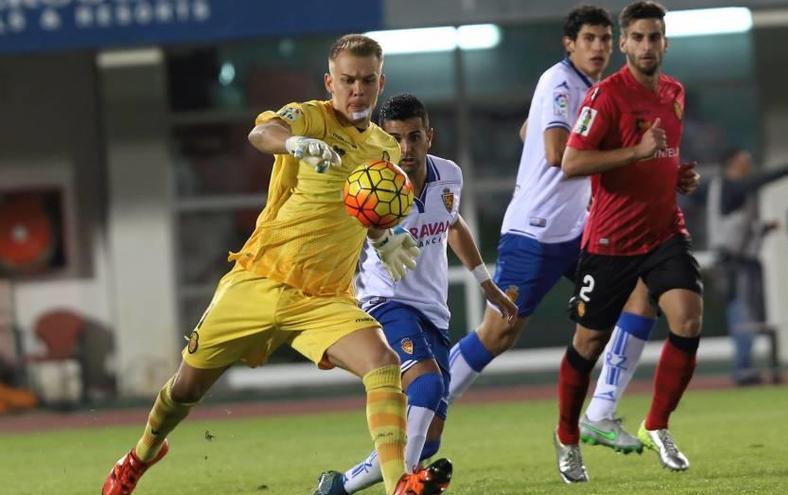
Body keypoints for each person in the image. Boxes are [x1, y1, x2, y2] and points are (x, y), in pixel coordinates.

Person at [101, 34, 451, 495]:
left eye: (367, 80)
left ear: (380, 82)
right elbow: (261, 132)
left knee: (383, 364)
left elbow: (370, 210)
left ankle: (398, 484)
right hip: (259, 281)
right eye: (347, 80)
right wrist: (297, 144)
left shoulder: (385, 151)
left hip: (323, 299)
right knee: (185, 389)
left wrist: (383, 237)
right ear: (331, 81)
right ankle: (141, 453)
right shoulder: (308, 116)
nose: (357, 90)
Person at [313, 94, 517, 495]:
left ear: (429, 137)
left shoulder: (449, 176)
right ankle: (402, 486)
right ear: (382, 140)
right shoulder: (373, 184)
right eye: (395, 138)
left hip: (433, 311)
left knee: (430, 438)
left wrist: (485, 282)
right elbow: (345, 233)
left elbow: (453, 224)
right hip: (384, 302)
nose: (405, 148)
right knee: (425, 387)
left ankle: (337, 488)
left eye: (413, 136)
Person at [560, 0, 703, 473]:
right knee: (587, 343)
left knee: (686, 317)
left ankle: (657, 423)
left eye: (654, 37)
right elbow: (572, 162)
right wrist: (637, 153)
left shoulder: (675, 93)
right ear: (624, 43)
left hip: (664, 232)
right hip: (611, 241)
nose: (646, 46)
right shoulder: (603, 97)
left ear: (665, 42)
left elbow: (661, 155)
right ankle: (567, 437)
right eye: (637, 38)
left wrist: (677, 174)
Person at [707, 149, 788, 385]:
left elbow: (739, 224)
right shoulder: (728, 186)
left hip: (743, 260)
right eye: (744, 161)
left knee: (746, 314)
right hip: (732, 261)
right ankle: (742, 369)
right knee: (741, 314)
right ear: (733, 163)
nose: (749, 165)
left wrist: (764, 228)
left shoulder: (736, 191)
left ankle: (745, 366)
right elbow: (747, 188)